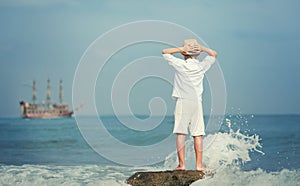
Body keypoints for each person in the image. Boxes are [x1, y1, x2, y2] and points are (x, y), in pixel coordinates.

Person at [162, 39, 218, 171]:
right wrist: (202, 48)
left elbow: (165, 52)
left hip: (183, 102)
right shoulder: (201, 66)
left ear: (184, 53)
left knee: (181, 134)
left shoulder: (181, 64)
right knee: (198, 134)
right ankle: (199, 165)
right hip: (197, 103)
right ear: (197, 54)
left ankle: (182, 165)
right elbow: (214, 54)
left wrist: (181, 49)